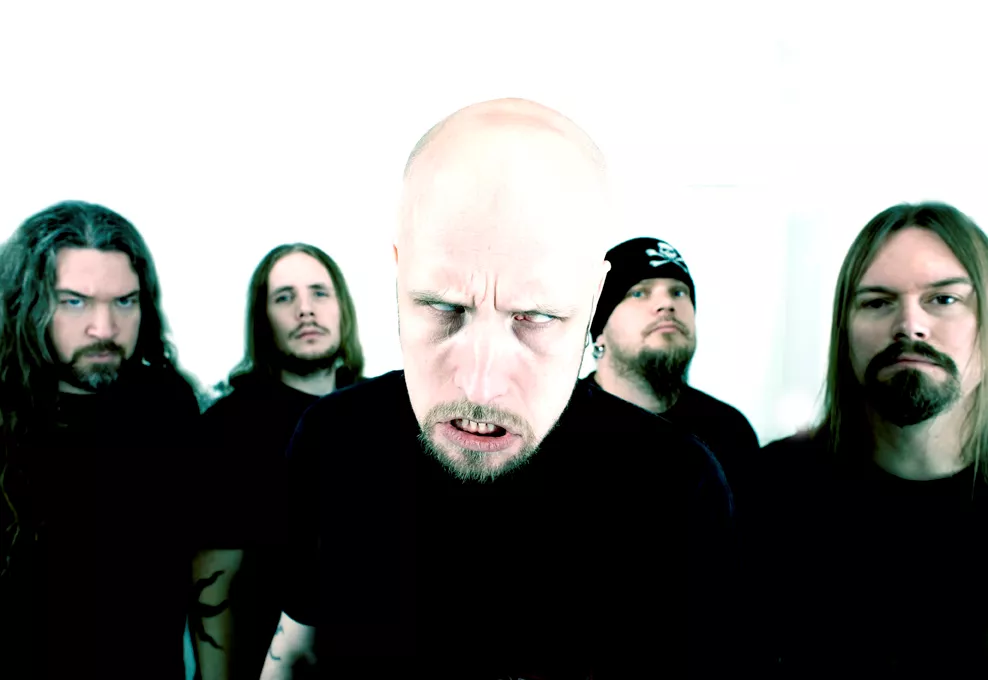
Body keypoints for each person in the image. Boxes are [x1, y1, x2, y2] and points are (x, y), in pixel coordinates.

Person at [258, 98, 736, 678]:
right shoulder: (335, 439)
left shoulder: (674, 489)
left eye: (536, 317)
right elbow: (297, 648)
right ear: (399, 271)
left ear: (592, 298)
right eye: (442, 307)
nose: (480, 385)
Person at [746, 202, 988, 675]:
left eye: (943, 299)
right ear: (844, 331)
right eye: (877, 302)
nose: (909, 325)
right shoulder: (772, 489)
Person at [0, 200, 206, 679]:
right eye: (75, 301)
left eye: (124, 301)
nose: (105, 328)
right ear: (27, 303)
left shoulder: (168, 406)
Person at [193, 243, 365, 680]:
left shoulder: (379, 411)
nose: (305, 309)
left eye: (319, 293)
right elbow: (214, 580)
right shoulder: (229, 426)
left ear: (342, 308)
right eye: (284, 297)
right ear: (262, 319)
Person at [588, 236, 759, 485]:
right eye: (639, 293)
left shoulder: (729, 432)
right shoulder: (558, 425)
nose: (667, 304)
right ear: (599, 330)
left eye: (678, 292)